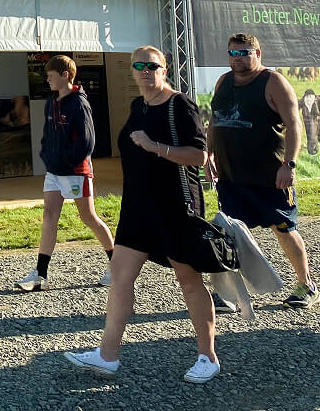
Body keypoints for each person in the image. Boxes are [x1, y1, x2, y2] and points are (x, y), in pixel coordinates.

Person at [64, 46, 220, 384]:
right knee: (120, 279)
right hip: (137, 208)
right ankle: (107, 356)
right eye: (139, 66)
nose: (146, 71)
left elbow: (198, 155)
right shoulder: (139, 106)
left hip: (176, 207)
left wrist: (156, 147)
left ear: (165, 69)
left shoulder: (181, 105)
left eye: (153, 66)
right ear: (132, 72)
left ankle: (207, 356)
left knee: (188, 280)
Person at [208, 34, 318, 308]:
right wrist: (208, 153)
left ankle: (306, 285)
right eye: (232, 53)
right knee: (230, 233)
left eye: (244, 53)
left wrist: (289, 164)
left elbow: (295, 125)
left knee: (283, 228)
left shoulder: (273, 82)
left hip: (270, 176)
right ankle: (230, 293)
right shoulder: (223, 82)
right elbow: (215, 121)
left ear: (258, 53)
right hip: (232, 176)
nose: (238, 59)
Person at [15, 55, 114, 291]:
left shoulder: (79, 103)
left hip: (76, 171)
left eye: (50, 76)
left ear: (65, 75)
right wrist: (47, 157)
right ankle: (40, 274)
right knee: (49, 216)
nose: (47, 80)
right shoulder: (52, 102)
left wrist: (66, 160)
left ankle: (117, 266)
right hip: (54, 173)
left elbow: (87, 142)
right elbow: (48, 135)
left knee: (88, 217)